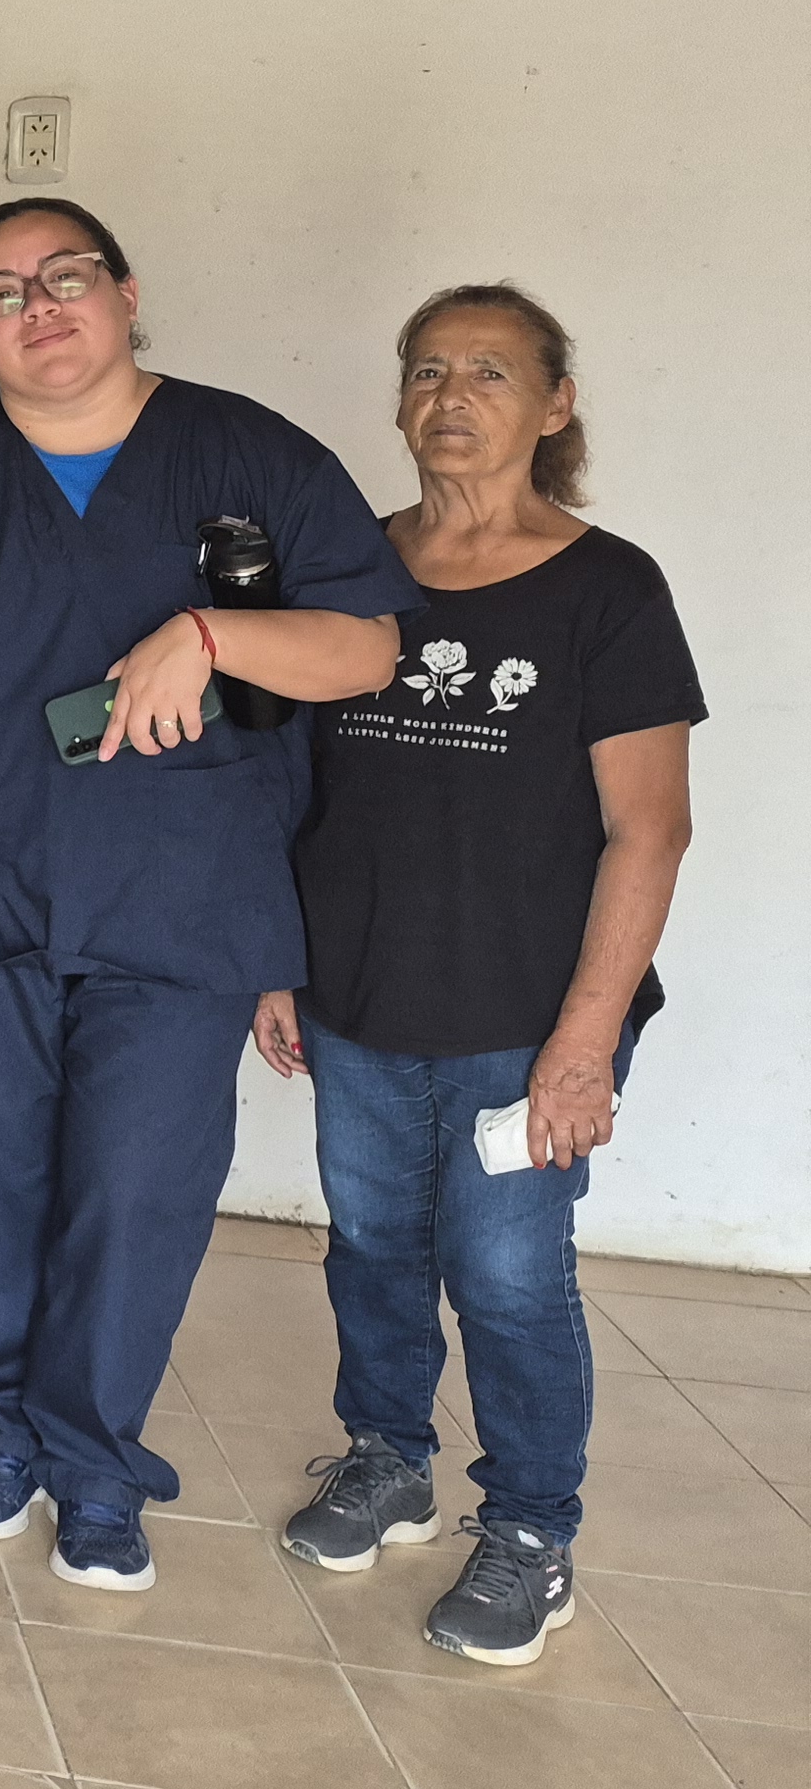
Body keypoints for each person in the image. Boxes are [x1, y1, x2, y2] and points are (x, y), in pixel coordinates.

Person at [0, 197, 407, 1595]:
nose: (37, 308)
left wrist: (212, 633)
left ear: (125, 291)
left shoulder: (250, 454)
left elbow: (364, 650)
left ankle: (96, 1466)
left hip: (184, 895)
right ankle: (0, 1432)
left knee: (139, 1190)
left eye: (65, 276)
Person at [262, 285, 699, 1664]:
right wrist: (275, 960)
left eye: (490, 373)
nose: (450, 397)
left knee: (506, 1276)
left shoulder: (608, 589)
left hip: (525, 1017)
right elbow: (291, 789)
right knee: (372, 1246)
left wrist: (585, 1043)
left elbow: (650, 828)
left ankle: (530, 1529)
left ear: (554, 404)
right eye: (427, 370)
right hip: (356, 994)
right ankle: (387, 1458)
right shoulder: (350, 564)